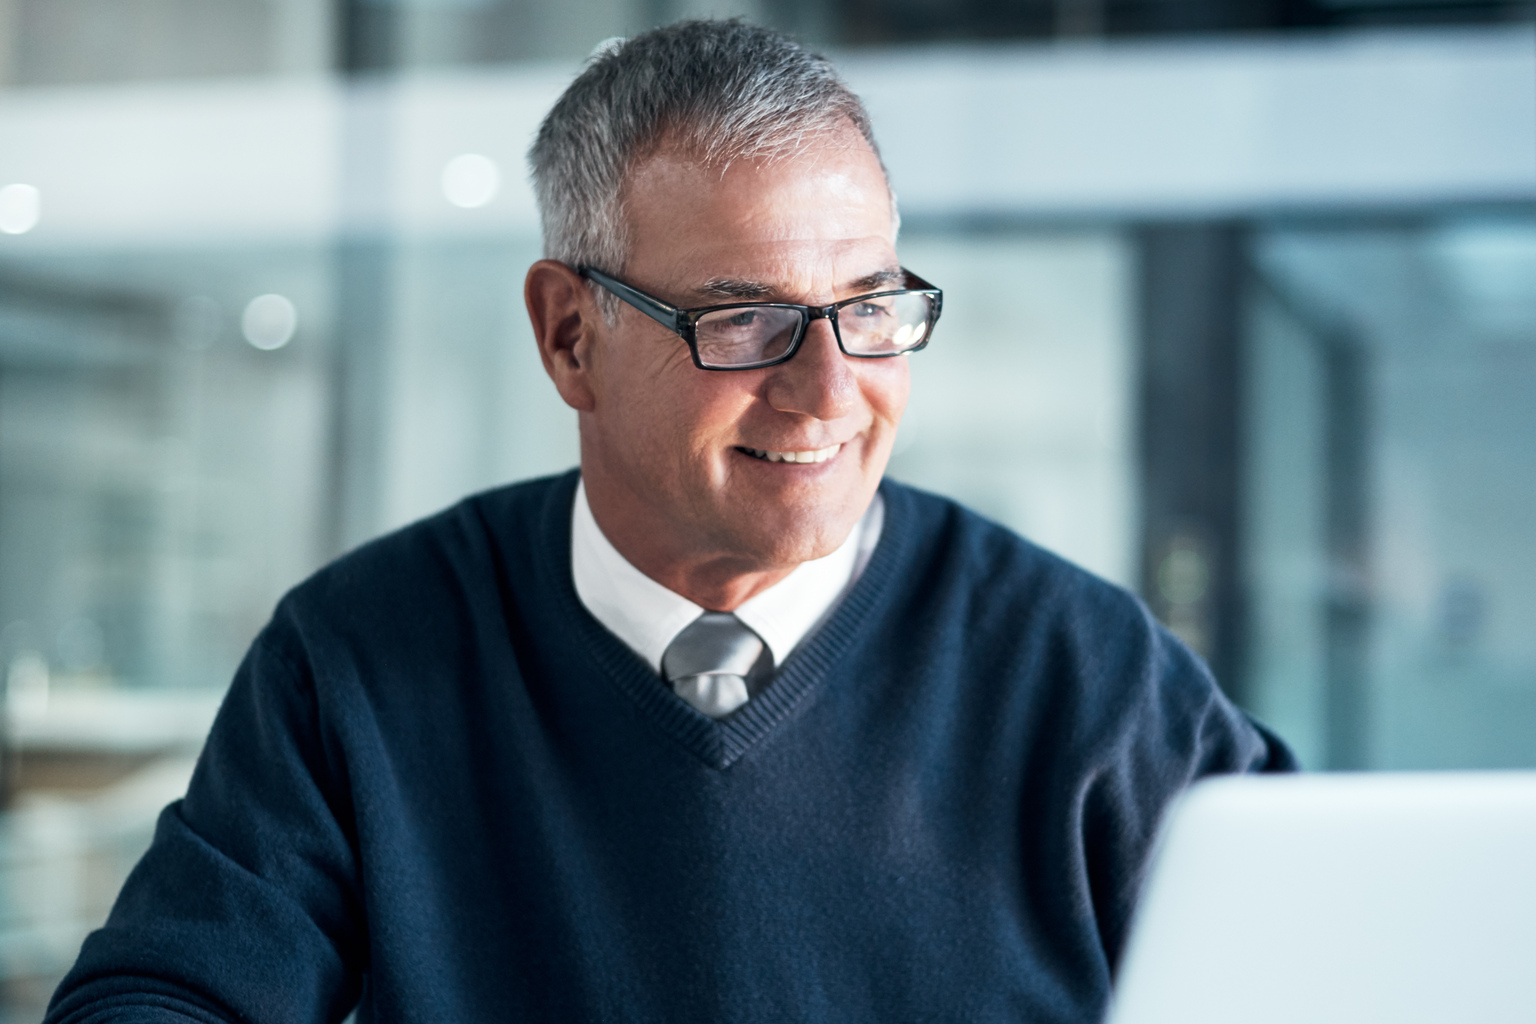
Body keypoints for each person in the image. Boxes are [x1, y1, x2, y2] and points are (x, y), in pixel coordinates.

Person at [46, 20, 1292, 1024]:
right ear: (569, 336)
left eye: (869, 306)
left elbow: (1325, 955)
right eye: (743, 321)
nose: (829, 391)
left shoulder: (1087, 673)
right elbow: (157, 998)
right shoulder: (364, 657)